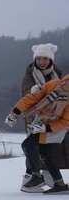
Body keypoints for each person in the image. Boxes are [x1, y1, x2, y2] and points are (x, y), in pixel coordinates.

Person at [5, 74, 69, 194]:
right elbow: (32, 98)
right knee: (46, 153)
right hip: (42, 123)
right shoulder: (54, 85)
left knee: (28, 145)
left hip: (55, 129)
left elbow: (65, 122)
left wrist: (46, 128)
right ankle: (59, 184)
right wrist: (15, 113)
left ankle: (36, 177)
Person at [20, 43, 63, 190]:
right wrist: (33, 92)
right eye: (39, 59)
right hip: (35, 118)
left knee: (46, 149)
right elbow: (26, 94)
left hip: (53, 119)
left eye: (45, 58)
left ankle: (47, 180)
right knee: (33, 147)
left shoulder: (58, 74)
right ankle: (35, 177)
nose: (42, 62)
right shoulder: (30, 74)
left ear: (50, 60)